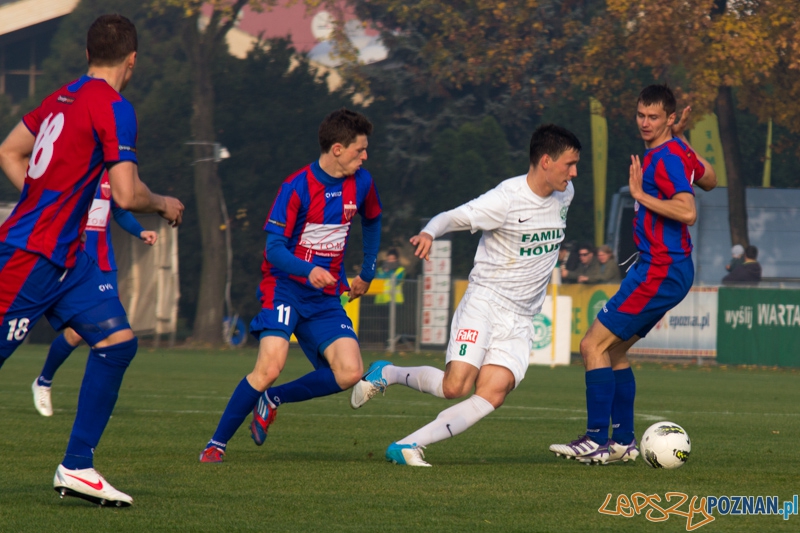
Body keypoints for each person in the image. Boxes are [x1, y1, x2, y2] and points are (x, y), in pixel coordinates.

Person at [0, 14, 183, 506]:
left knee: (117, 343)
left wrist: (52, 203)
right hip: (29, 255)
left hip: (67, 255)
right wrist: (163, 202)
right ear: (133, 59)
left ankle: (77, 466)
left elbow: (9, 151)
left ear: (86, 54)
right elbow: (125, 194)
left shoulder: (63, 95)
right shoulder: (115, 106)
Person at [349, 124, 581, 467]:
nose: (574, 173)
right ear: (545, 161)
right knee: (454, 386)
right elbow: (452, 216)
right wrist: (429, 232)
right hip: (486, 302)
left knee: (494, 392)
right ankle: (389, 373)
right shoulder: (505, 199)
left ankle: (407, 445)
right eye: (569, 164)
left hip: (521, 317)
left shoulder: (566, 194)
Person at [199, 108, 382, 463]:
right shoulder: (296, 188)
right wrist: (309, 269)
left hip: (325, 296)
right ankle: (215, 445)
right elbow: (273, 250)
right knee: (269, 367)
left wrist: (367, 272)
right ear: (338, 149)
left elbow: (372, 220)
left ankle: (273, 399)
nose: (365, 157)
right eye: (360, 150)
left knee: (350, 372)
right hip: (283, 287)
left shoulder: (362, 183)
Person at [549, 84, 716, 465]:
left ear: (670, 118)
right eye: (641, 115)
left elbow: (688, 211)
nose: (645, 122)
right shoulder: (677, 150)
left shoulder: (667, 158)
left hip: (661, 267)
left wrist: (641, 197)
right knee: (614, 350)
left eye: (653, 117)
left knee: (592, 346)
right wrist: (683, 141)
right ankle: (623, 441)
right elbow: (711, 178)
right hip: (663, 268)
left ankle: (595, 440)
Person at [31, 172, 158, 417]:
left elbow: (119, 211)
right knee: (78, 334)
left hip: (104, 266)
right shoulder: (74, 168)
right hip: (74, 265)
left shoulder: (113, 173)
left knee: (115, 337)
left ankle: (93, 400)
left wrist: (141, 232)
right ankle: (44, 381)